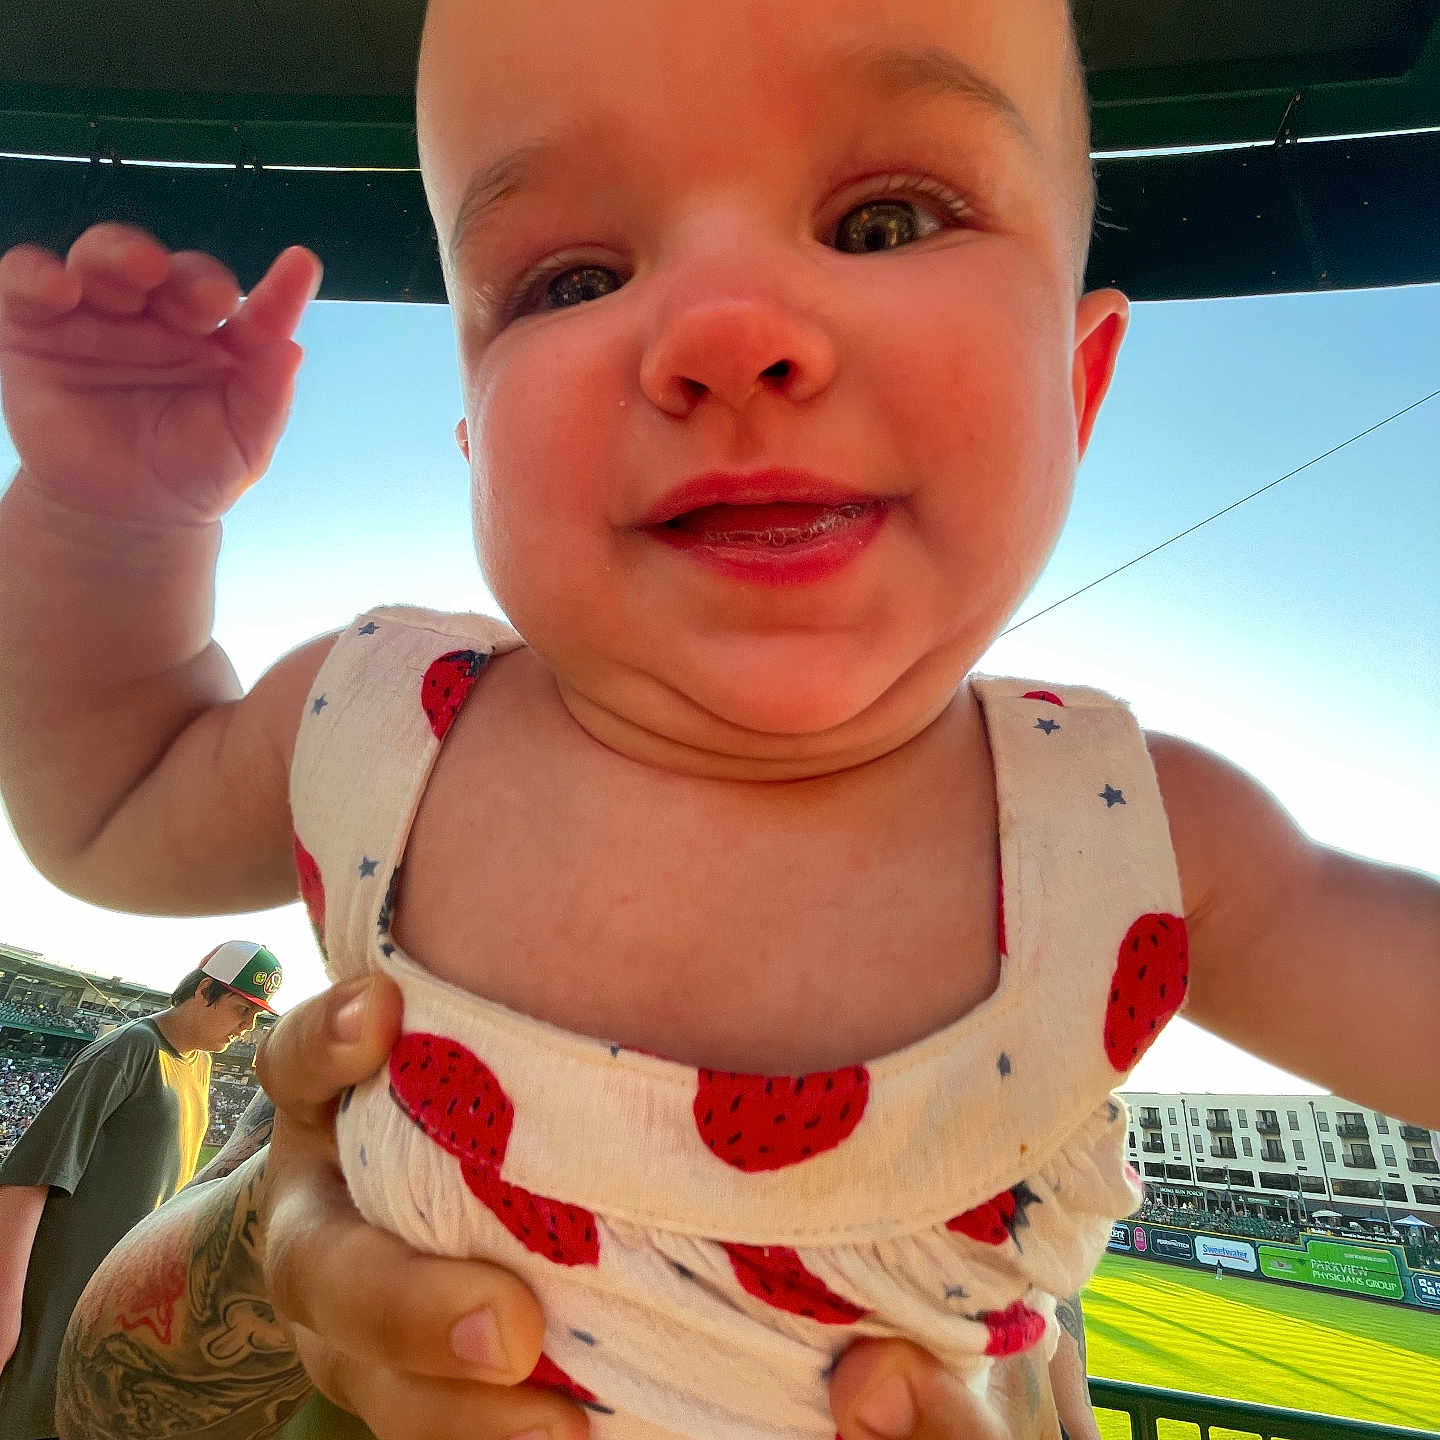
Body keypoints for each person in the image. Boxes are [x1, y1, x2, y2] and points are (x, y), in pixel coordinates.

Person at [1, 0, 1436, 1432]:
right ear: (473, 435)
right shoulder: (385, 718)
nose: (725, 333)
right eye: (571, 279)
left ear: (1078, 384)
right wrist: (112, 525)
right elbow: (111, 808)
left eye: (881, 223)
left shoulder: (1139, 838)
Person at [55, 975, 1091, 1440]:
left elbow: (1062, 1396)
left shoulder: (1017, 1176)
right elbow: (105, 1404)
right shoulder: (414, 1057)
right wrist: (307, 1257)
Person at [0, 940, 282, 1440]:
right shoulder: (128, 1050)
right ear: (205, 991)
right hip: (56, 1298)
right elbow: (27, 1181)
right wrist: (5, 1315)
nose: (248, 1027)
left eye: (257, 1017)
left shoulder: (199, 1062)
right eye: (243, 1009)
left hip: (118, 1301)